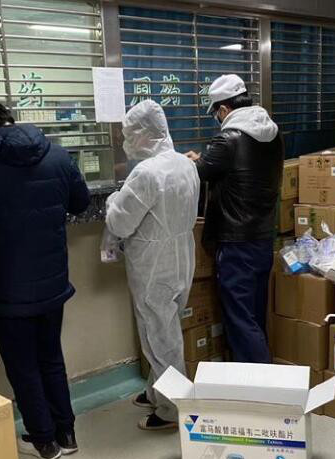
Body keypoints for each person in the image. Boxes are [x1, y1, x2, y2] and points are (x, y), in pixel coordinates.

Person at [0, 92, 90, 459]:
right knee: (51, 356)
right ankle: (67, 433)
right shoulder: (56, 153)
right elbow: (80, 202)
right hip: (52, 278)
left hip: (7, 282)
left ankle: (43, 440)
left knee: (22, 364)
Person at [105, 100, 200, 430]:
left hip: (153, 263)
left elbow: (120, 223)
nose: (126, 141)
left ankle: (173, 409)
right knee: (166, 329)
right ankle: (157, 391)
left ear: (145, 135)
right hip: (182, 255)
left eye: (130, 134)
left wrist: (112, 202)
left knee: (159, 335)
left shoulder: (146, 173)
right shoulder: (185, 164)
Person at [186, 74, 283, 364]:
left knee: (240, 320)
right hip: (263, 237)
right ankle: (258, 375)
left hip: (236, 242)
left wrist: (193, 162)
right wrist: (205, 161)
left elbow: (199, 173)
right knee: (254, 314)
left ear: (224, 109)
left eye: (216, 113)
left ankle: (260, 381)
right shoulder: (273, 133)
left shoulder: (228, 139)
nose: (217, 119)